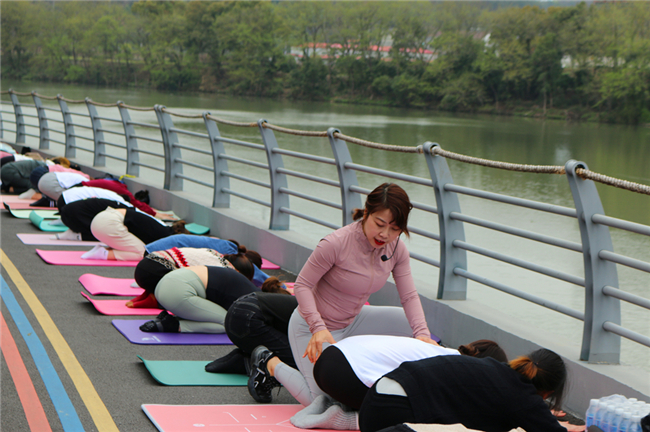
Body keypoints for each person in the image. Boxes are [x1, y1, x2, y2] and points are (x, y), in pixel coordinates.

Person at [247, 183, 435, 405]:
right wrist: (317, 327)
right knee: (322, 402)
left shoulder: (397, 249)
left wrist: (422, 335)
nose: (385, 234)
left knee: (410, 325)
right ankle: (269, 364)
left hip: (353, 321)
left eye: (394, 229)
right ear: (366, 213)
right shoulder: (336, 243)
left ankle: (394, 380)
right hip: (313, 328)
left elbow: (409, 296)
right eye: (379, 224)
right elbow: (303, 285)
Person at [289, 338, 507, 430]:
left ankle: (332, 402)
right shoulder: (456, 368)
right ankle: (349, 419)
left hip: (330, 360)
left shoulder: (440, 350)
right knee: (424, 411)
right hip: (345, 373)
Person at [358, 348, 569, 432]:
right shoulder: (524, 397)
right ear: (548, 392)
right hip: (394, 415)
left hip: (374, 402)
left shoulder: (498, 370)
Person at [205, 278, 298, 375]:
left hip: (235, 312)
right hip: (248, 318)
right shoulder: (304, 310)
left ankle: (246, 355)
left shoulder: (294, 305)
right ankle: (247, 361)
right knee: (300, 363)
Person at [139, 265, 261, 334]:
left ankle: (171, 318)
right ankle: (175, 325)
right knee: (228, 324)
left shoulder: (245, 284)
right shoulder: (252, 297)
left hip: (165, 285)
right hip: (176, 292)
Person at [57, 197, 188, 261]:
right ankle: (103, 254)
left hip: (101, 218)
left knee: (132, 243)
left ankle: (103, 249)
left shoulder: (161, 226)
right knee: (142, 253)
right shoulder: (164, 235)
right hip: (108, 223)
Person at [127, 247, 252, 309]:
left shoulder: (214, 253)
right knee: (194, 292)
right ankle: (157, 301)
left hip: (146, 265)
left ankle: (151, 292)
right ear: (239, 272)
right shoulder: (227, 269)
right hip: (158, 270)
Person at [145, 234, 271, 288]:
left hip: (154, 253)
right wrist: (277, 286)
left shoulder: (224, 246)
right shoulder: (229, 251)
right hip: (158, 256)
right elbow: (258, 275)